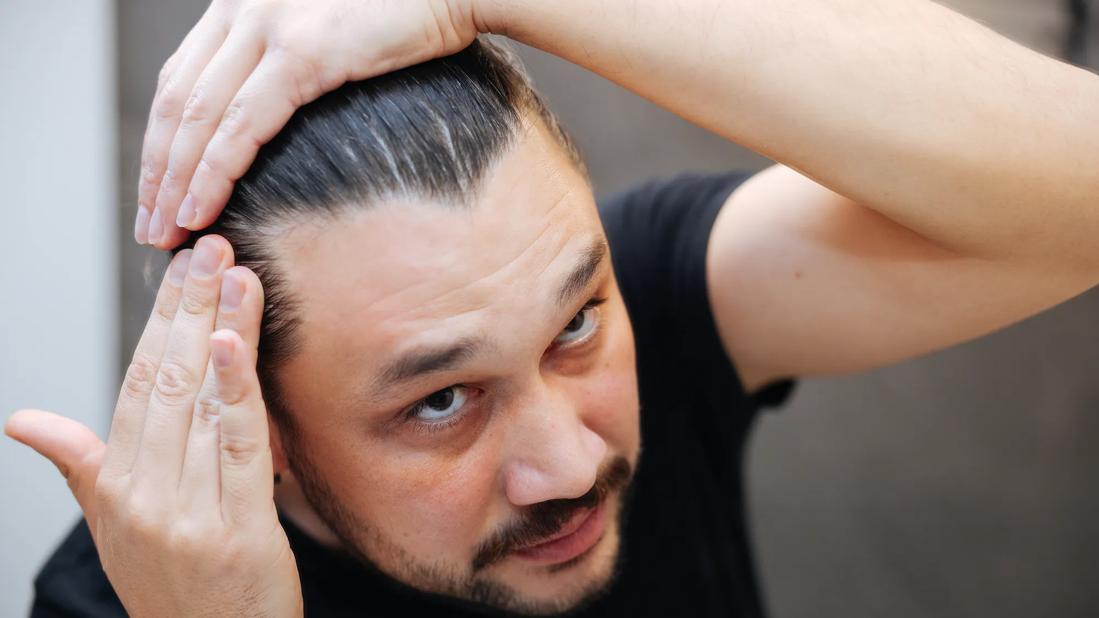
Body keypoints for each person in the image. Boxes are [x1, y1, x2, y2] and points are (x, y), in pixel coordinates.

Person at [6, 1, 1098, 617]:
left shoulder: (654, 301)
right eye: (440, 401)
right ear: (259, 430)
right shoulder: (128, 602)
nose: (572, 465)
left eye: (576, 323)